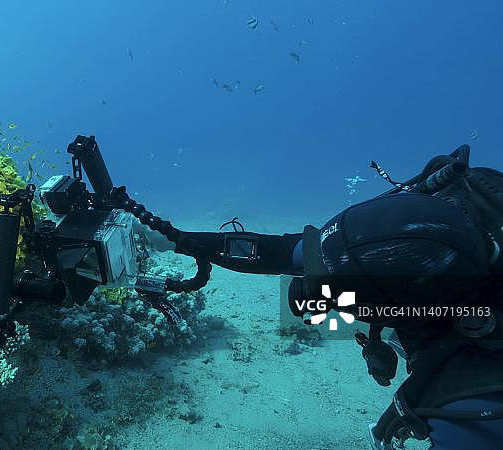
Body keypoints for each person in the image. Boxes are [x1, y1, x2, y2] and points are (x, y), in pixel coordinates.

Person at [141, 145, 503, 449]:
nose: (320, 298)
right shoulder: (458, 207)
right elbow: (276, 252)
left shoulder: (476, 401)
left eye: (336, 293)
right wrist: (177, 239)